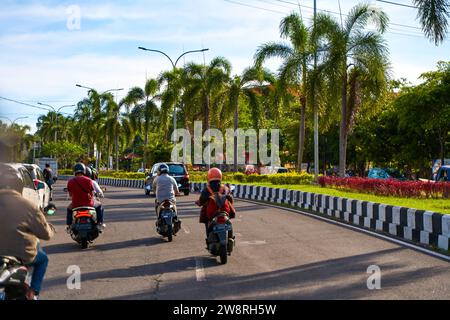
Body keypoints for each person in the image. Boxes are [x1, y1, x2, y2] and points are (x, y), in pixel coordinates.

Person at [0, 164, 55, 300]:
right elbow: (45, 234)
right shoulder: (28, 206)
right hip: (21, 254)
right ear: (19, 185)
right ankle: (32, 292)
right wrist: (50, 228)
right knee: (43, 259)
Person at [196, 168, 236, 238]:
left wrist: (199, 203)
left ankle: (208, 238)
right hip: (225, 211)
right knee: (228, 221)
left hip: (212, 214)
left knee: (206, 219)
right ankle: (230, 237)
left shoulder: (206, 189)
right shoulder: (225, 188)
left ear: (209, 177)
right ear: (220, 176)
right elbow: (230, 198)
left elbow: (202, 201)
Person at [66, 163, 103, 230]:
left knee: (69, 209)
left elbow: (70, 195)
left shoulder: (70, 181)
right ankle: (99, 223)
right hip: (89, 204)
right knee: (99, 205)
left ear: (74, 171)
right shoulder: (89, 180)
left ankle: (69, 225)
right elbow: (91, 193)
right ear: (84, 171)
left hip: (75, 204)